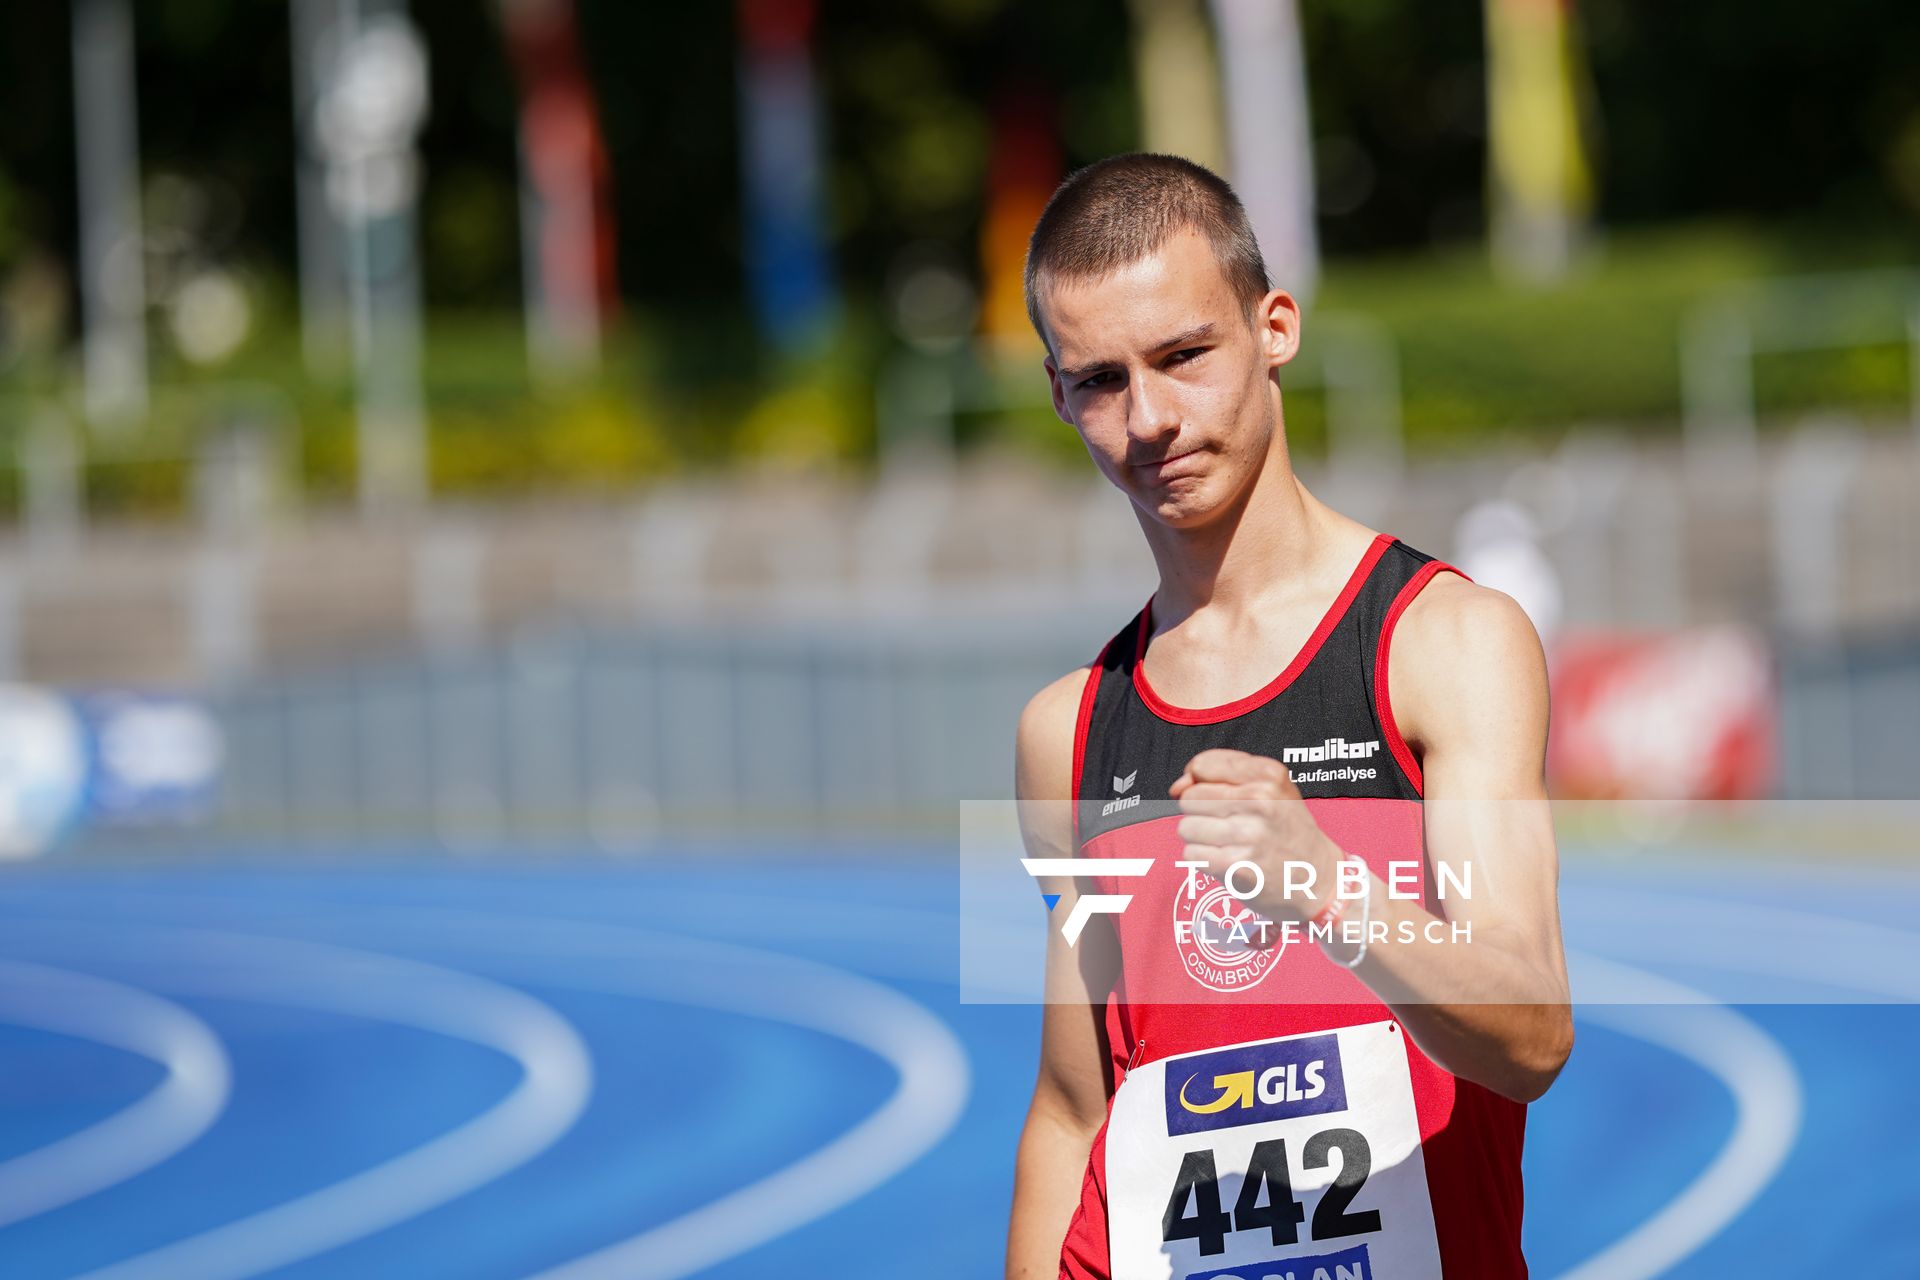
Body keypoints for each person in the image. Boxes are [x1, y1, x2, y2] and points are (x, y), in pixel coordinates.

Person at [1004, 154, 1572, 1280]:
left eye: (1182, 356)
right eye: (1101, 380)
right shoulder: (1066, 730)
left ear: (1274, 328)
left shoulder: (1443, 643)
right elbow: (1075, 1110)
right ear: (1062, 396)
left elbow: (1532, 1033)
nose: (1151, 418)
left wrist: (1324, 881)